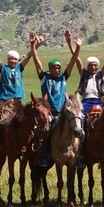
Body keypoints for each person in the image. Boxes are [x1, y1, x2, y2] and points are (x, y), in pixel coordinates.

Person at [66, 29, 104, 167]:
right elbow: (76, 58)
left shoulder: (101, 74)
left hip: (99, 104)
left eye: (96, 65)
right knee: (81, 127)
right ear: (88, 65)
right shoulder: (83, 73)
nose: (94, 67)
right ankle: (81, 153)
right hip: (84, 104)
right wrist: (70, 44)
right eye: (92, 65)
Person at [0, 32, 42, 156]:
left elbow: (29, 56)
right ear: (8, 59)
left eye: (15, 59)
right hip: (4, 101)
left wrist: (34, 45)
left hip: (18, 102)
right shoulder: (3, 69)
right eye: (11, 58)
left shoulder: (20, 68)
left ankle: (29, 143)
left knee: (30, 120)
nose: (13, 60)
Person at [31, 31, 82, 166]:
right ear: (50, 68)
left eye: (59, 67)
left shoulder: (63, 77)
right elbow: (36, 61)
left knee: (77, 129)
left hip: (62, 112)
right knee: (44, 133)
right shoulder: (44, 77)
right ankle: (43, 156)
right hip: (48, 113)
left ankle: (78, 156)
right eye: (55, 67)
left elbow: (73, 61)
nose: (58, 70)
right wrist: (33, 46)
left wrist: (77, 47)